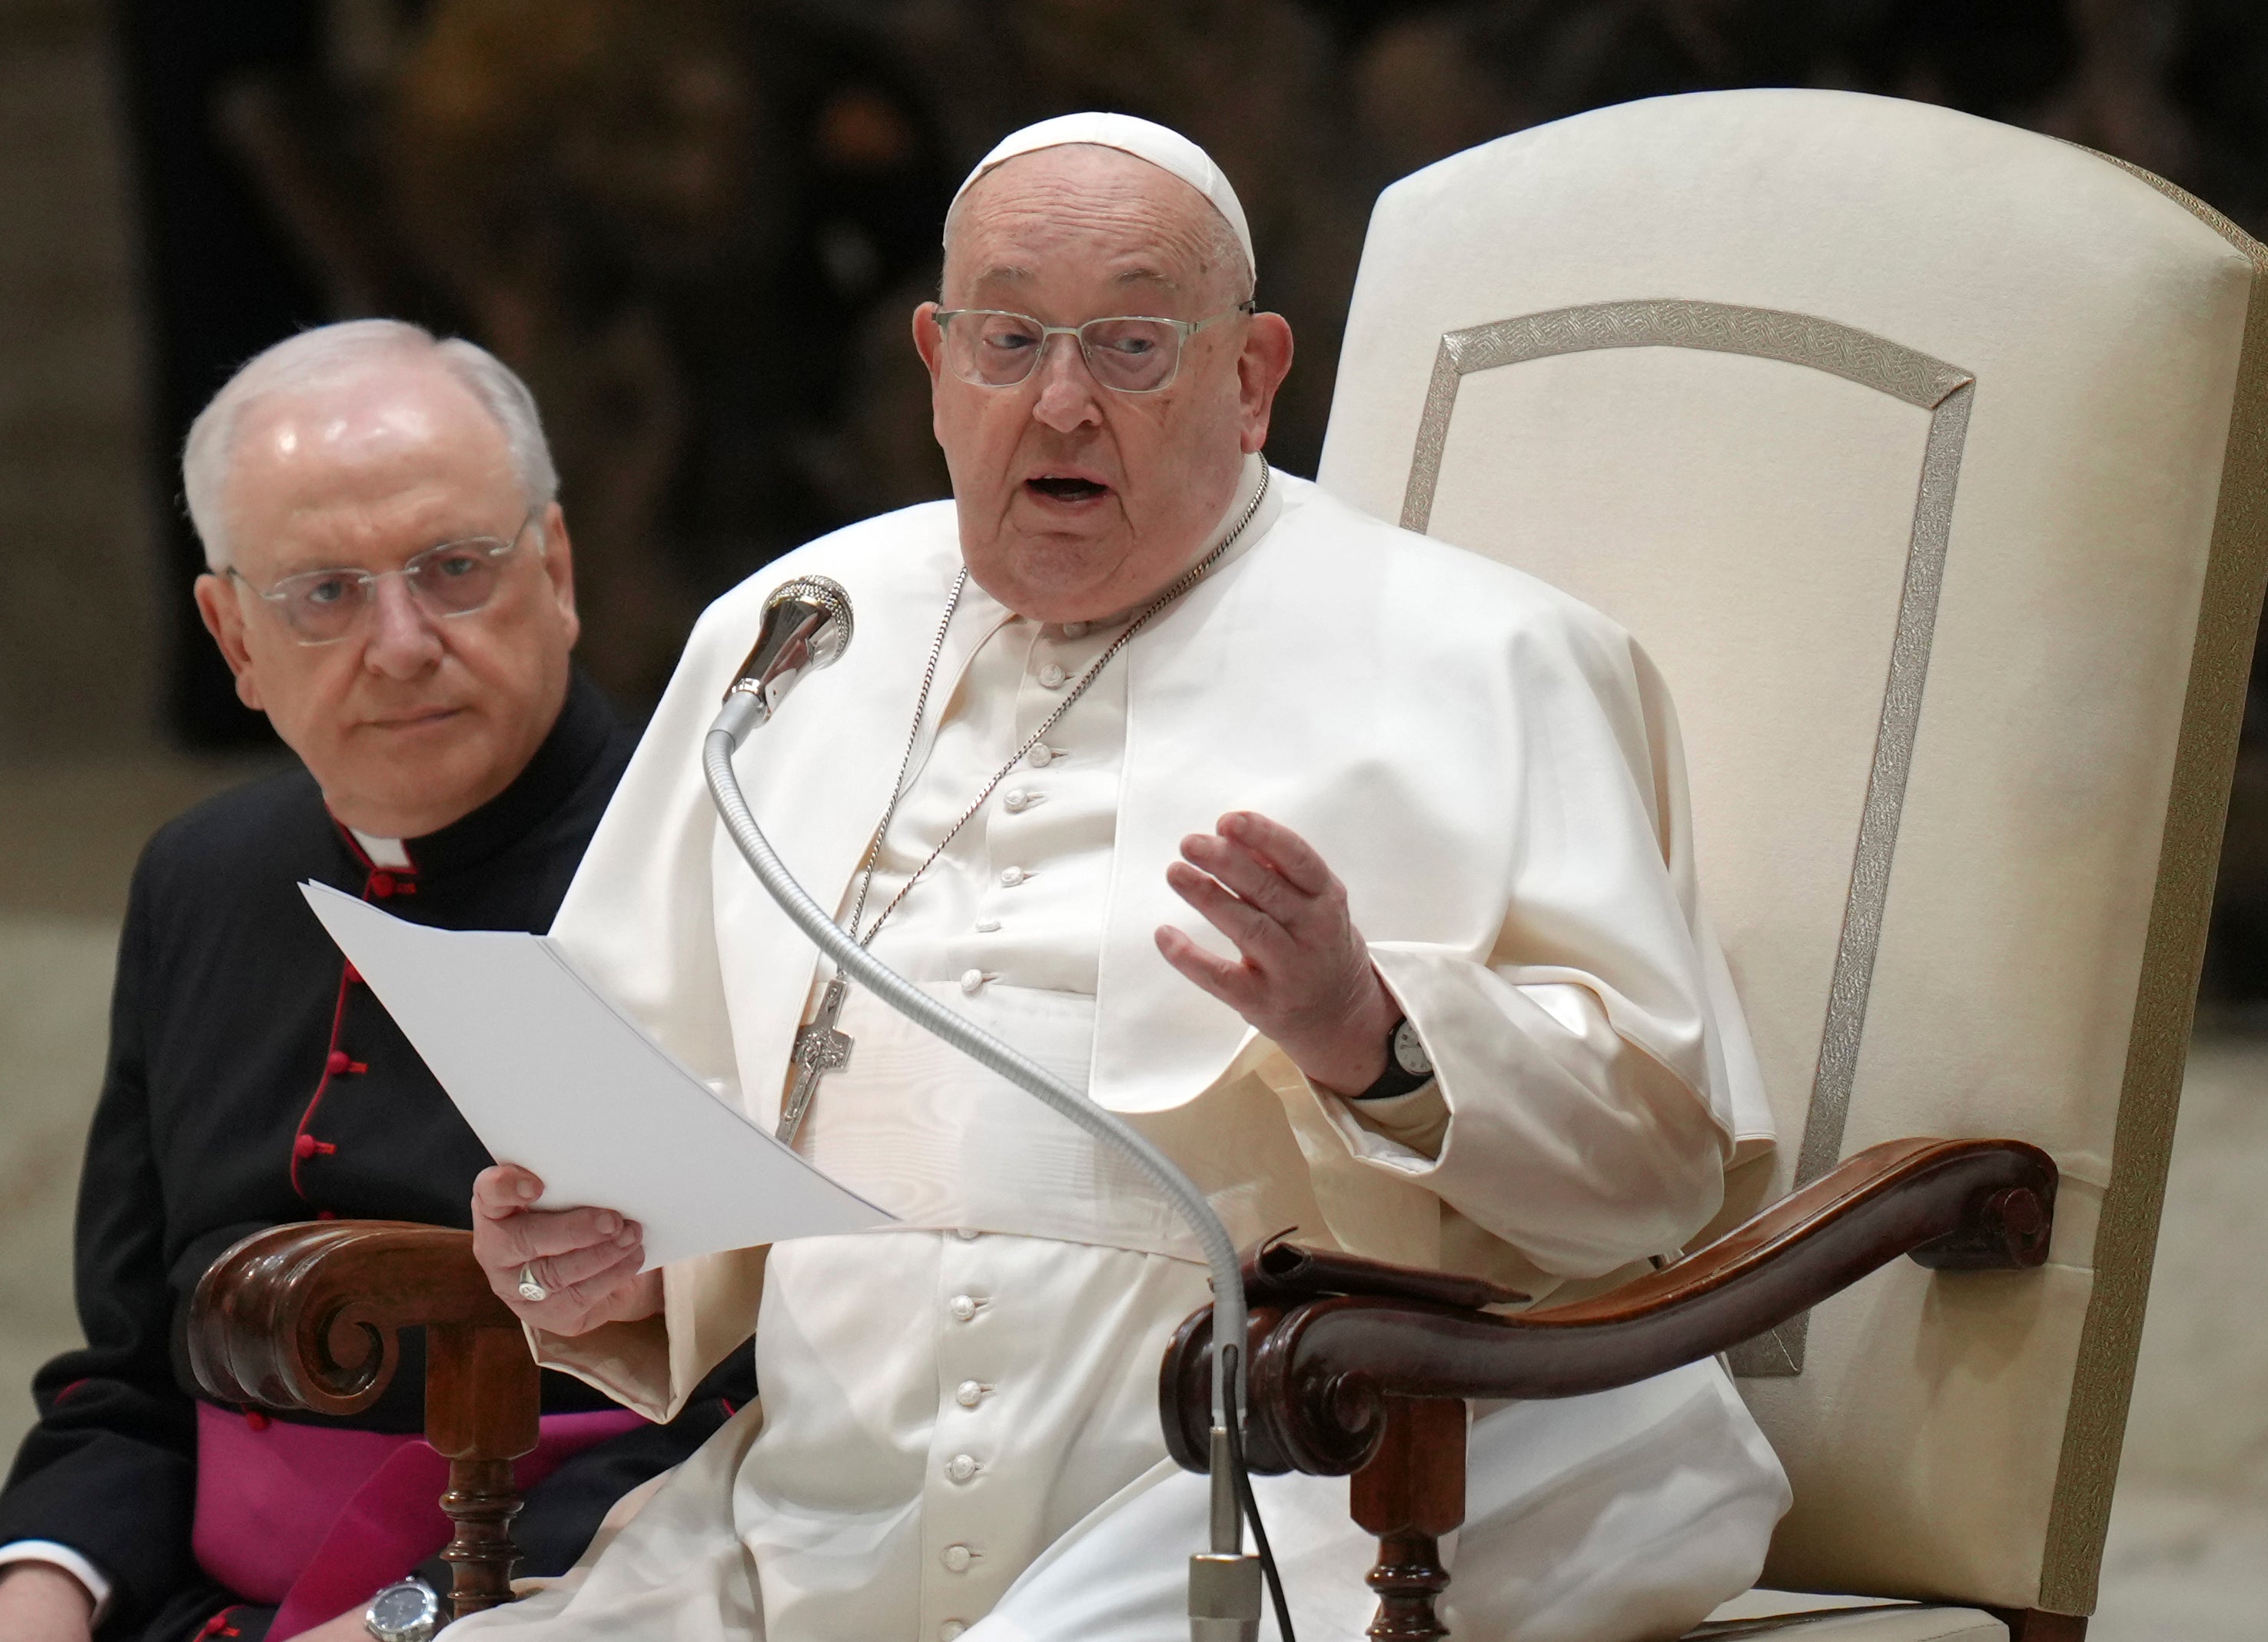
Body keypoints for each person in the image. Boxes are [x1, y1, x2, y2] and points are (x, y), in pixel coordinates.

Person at [458, 115, 1791, 1642]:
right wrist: (589, 1260)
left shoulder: (1491, 658)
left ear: (1251, 375)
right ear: (935, 366)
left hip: (1264, 1511)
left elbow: (1657, 1178)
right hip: (805, 1539)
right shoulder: (792, 637)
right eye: (1008, 338)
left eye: (1134, 346)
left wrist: (1372, 1032)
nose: (1063, 402)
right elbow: (643, 1149)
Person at [0, 322, 752, 1642]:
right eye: (326, 594)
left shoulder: (724, 858)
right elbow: (127, 1378)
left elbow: (778, 1391)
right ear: (233, 634)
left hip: (573, 1598)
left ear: (558, 569)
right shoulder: (203, 875)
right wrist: (40, 1591)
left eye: (454, 569)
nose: (401, 643)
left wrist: (414, 1616)